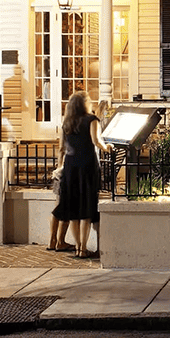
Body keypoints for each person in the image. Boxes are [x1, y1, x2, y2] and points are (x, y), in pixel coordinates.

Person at [52, 91, 112, 259]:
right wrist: (107, 147)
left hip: (71, 166)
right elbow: (96, 141)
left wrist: (59, 167)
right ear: (84, 104)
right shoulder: (92, 120)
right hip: (87, 165)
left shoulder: (67, 123)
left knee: (73, 211)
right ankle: (83, 249)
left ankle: (77, 246)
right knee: (86, 208)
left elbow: (62, 148)